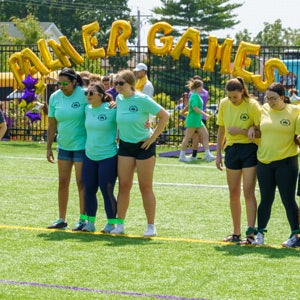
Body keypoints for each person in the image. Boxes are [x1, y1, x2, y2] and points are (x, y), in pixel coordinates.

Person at [110, 69, 169, 236]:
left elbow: (164, 116)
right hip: (125, 147)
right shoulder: (119, 99)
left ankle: (151, 226)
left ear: (131, 84)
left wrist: (153, 138)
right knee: (124, 186)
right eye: (116, 83)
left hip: (144, 147)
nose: (117, 86)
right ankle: (120, 224)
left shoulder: (142, 99)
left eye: (121, 83)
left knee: (145, 187)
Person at [250, 82, 300, 247]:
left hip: (286, 162)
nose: (270, 101)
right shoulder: (263, 109)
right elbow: (258, 127)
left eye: (273, 99)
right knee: (266, 200)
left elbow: (298, 136)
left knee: (288, 200)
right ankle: (260, 234)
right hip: (264, 161)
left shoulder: (295, 111)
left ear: (283, 97)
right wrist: (252, 128)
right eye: (267, 98)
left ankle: (295, 235)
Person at [216, 77, 261, 244]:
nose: (232, 100)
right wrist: (219, 152)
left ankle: (250, 234)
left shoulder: (252, 105)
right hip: (232, 151)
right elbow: (221, 129)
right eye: (229, 97)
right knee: (233, 193)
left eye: (235, 96)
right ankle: (236, 233)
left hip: (250, 150)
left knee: (248, 191)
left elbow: (261, 131)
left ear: (242, 91)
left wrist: (244, 130)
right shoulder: (223, 104)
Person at [46, 67, 87, 231]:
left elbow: (102, 102)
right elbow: (51, 124)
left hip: (82, 146)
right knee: (63, 182)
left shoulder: (84, 94)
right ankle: (61, 219)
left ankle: (83, 219)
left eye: (65, 83)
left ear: (74, 82)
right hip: (63, 146)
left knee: (81, 183)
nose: (62, 86)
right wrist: (49, 147)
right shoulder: (55, 97)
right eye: (59, 83)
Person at [81, 82, 118, 233]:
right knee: (89, 189)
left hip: (108, 156)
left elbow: (126, 121)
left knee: (106, 189)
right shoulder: (86, 109)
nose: (88, 95)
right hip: (89, 156)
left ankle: (111, 223)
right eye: (87, 93)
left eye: (91, 93)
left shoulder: (112, 109)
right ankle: (90, 223)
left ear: (101, 96)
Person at [179, 79, 215, 163]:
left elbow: (190, 107)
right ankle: (182, 156)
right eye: (201, 86)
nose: (202, 88)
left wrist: (184, 113)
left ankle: (208, 155)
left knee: (205, 135)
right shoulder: (194, 95)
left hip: (197, 120)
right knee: (187, 138)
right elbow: (195, 108)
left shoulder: (195, 95)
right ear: (198, 87)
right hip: (194, 121)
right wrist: (205, 114)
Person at [189, 75, 211, 161]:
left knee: (195, 137)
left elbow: (190, 105)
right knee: (204, 136)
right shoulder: (206, 92)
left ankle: (194, 155)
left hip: (195, 117)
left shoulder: (192, 93)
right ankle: (207, 153)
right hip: (203, 117)